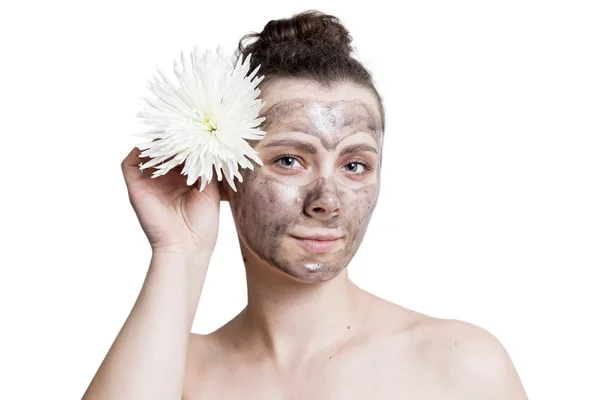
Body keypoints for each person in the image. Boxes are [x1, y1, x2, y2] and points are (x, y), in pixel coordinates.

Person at [83, 9, 528, 400]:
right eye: (290, 160)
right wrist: (179, 252)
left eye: (355, 165)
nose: (327, 201)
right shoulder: (178, 373)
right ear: (226, 170)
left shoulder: (459, 366)